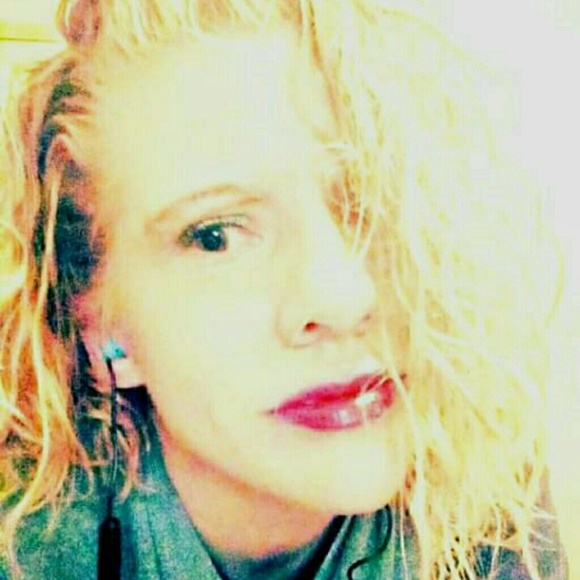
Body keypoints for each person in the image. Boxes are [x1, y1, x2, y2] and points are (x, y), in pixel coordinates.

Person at [0, 0, 570, 578]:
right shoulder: (27, 549)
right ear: (99, 326)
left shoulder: (483, 473)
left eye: (371, 202)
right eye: (216, 236)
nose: (345, 298)